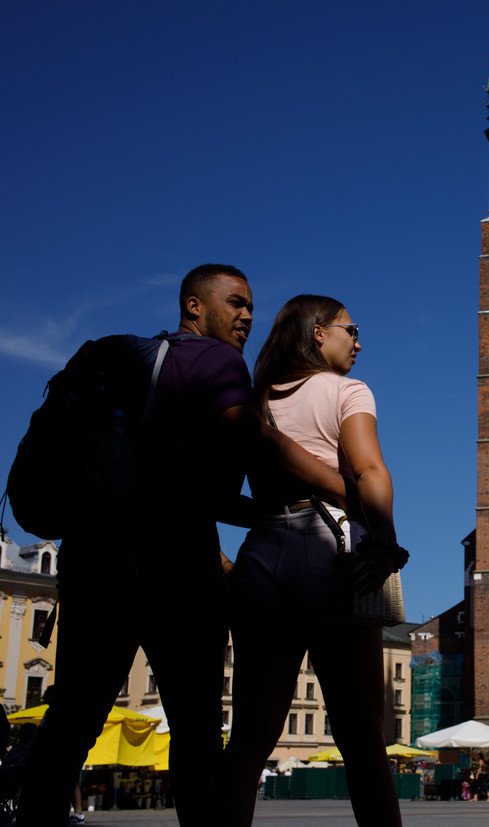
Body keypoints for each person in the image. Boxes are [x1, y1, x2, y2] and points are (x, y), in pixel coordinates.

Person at [15, 266, 346, 827]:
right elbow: (254, 438)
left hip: (93, 558)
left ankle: (35, 819)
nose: (246, 316)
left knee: (75, 711)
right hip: (174, 568)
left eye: (250, 307)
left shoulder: (130, 369)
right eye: (235, 303)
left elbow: (183, 487)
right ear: (194, 306)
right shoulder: (215, 362)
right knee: (194, 725)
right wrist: (343, 487)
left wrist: (253, 512)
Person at [214, 295, 407, 826]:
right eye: (352, 330)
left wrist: (270, 517)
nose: (359, 342)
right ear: (318, 333)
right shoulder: (347, 391)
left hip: (262, 556)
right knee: (363, 737)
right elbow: (370, 472)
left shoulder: (252, 400)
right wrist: (387, 541)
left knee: (251, 737)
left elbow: (219, 495)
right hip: (330, 554)